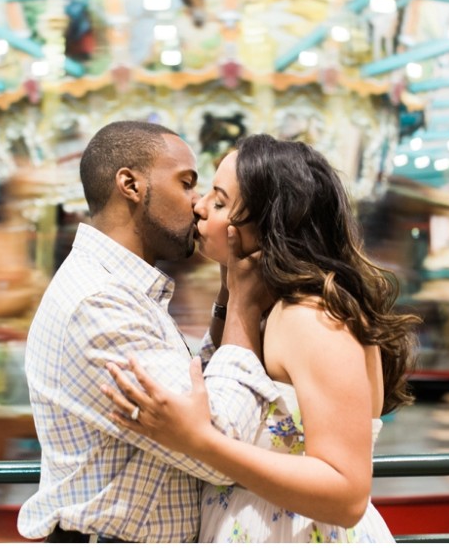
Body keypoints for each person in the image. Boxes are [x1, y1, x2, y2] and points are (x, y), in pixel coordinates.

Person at [103, 134, 420, 543]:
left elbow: (346, 493)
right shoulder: (274, 311)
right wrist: (232, 292)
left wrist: (199, 442)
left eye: (218, 202)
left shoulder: (312, 316)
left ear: (268, 227)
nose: (198, 206)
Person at [18, 120, 282, 543]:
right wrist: (245, 305)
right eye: (187, 183)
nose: (198, 205)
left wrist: (226, 301)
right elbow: (221, 445)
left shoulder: (120, 288)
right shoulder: (99, 304)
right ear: (130, 184)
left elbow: (202, 390)